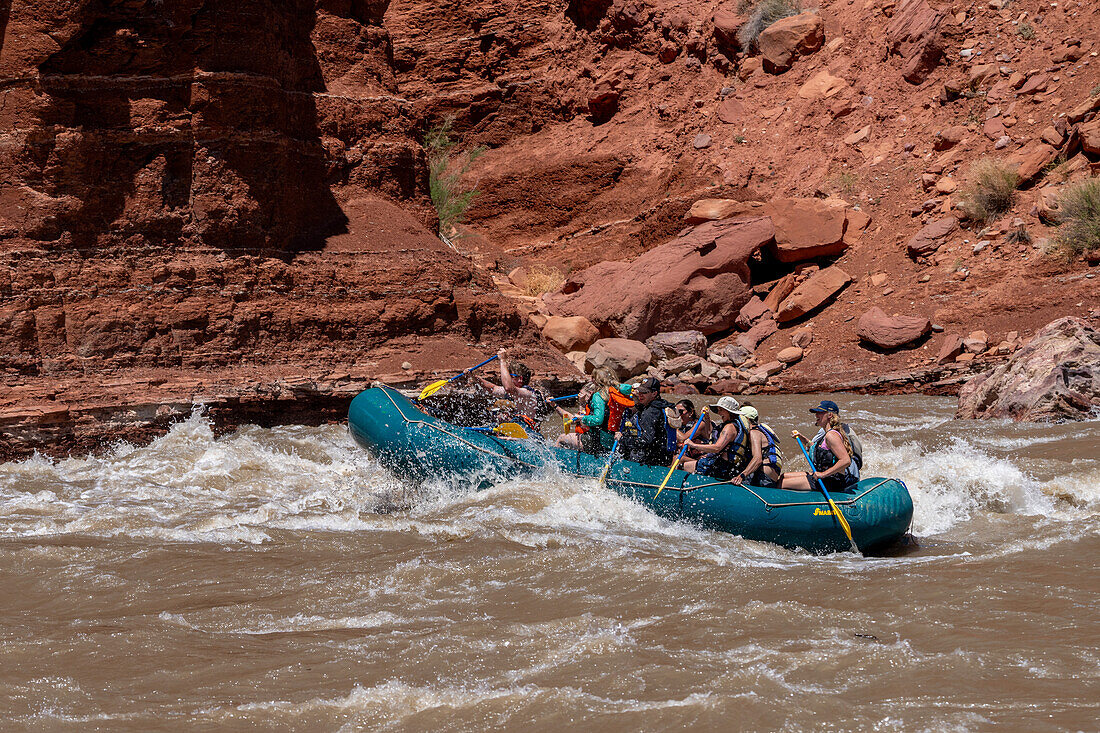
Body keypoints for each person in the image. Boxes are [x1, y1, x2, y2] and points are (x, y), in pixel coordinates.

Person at [779, 400, 860, 492]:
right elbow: (819, 450)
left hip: (832, 481)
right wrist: (803, 439)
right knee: (783, 476)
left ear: (829, 415)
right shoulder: (827, 434)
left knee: (781, 483)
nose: (816, 415)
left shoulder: (831, 435)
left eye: (820, 412)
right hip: (826, 478)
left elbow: (846, 461)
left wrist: (823, 474)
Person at [555, 367, 633, 453]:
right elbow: (630, 389)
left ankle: (555, 464)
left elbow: (597, 420)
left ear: (596, 380)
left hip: (598, 442)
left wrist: (582, 418)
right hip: (614, 438)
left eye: (593, 377)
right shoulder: (619, 391)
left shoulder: (599, 396)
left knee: (562, 438)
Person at [465, 349, 544, 424]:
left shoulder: (528, 393)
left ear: (520, 379)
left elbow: (508, 388)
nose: (507, 378)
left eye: (510, 376)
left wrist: (503, 361)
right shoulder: (515, 393)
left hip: (529, 433)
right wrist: (474, 377)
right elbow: (492, 388)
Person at [681, 396, 751, 479]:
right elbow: (709, 435)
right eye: (718, 409)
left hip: (723, 467)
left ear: (729, 411)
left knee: (683, 466)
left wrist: (693, 445)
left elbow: (717, 448)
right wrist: (707, 418)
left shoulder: (730, 427)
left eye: (721, 410)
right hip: (725, 465)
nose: (719, 412)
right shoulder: (732, 425)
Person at [614, 377, 674, 466]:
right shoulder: (661, 405)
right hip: (662, 457)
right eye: (640, 392)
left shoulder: (650, 413)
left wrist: (622, 439)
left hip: (650, 460)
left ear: (654, 393)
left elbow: (646, 440)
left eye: (644, 392)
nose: (640, 395)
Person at [729, 405, 784, 488]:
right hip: (770, 476)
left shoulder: (754, 433)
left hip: (764, 478)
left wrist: (741, 476)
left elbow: (758, 459)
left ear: (746, 419)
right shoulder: (761, 430)